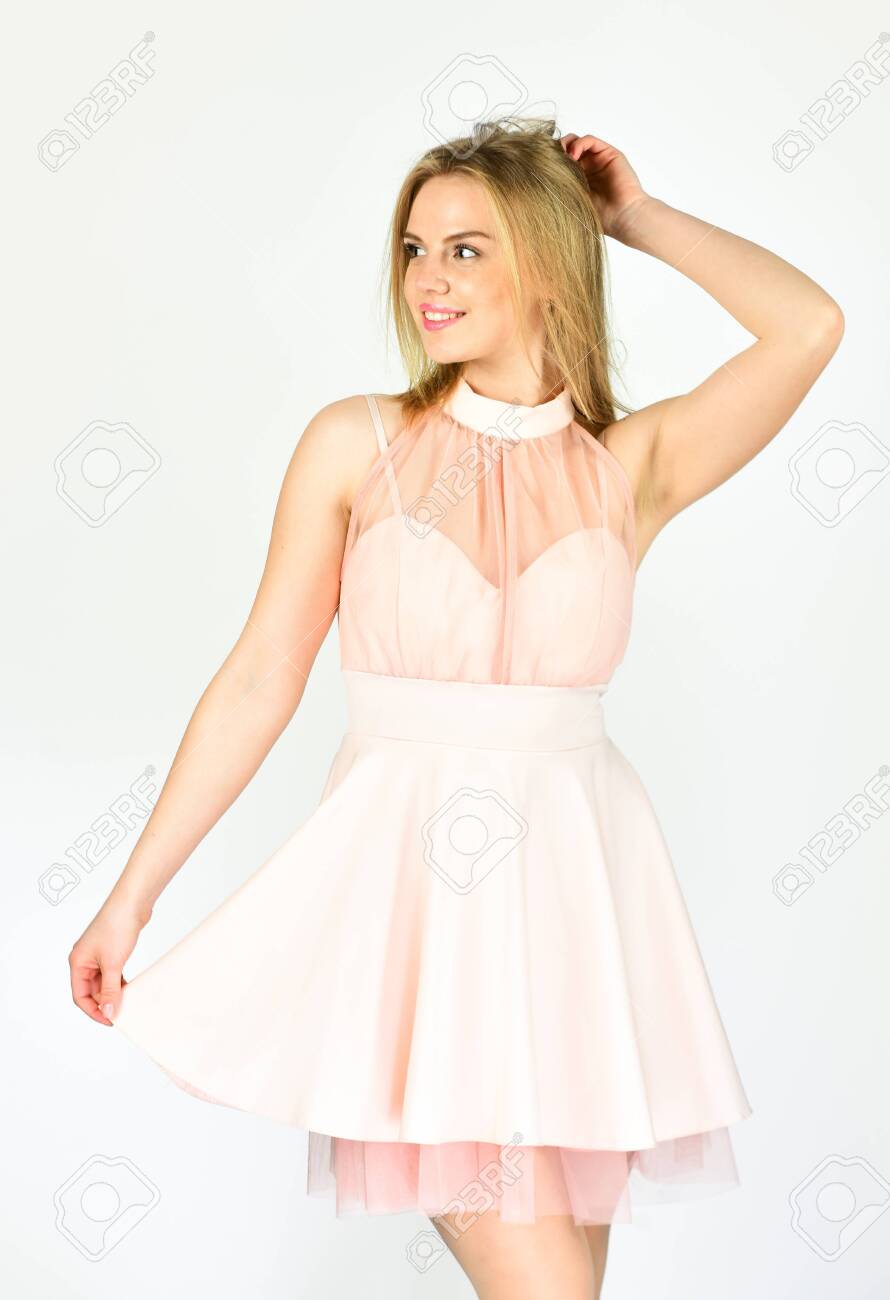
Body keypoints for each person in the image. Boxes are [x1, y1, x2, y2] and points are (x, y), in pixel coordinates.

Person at [68, 118, 844, 1298]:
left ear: (547, 262)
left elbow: (808, 326)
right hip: (412, 932)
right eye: (415, 249)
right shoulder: (357, 444)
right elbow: (261, 674)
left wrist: (633, 218)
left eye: (466, 249)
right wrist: (131, 897)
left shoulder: (627, 465)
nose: (427, 279)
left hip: (575, 923)